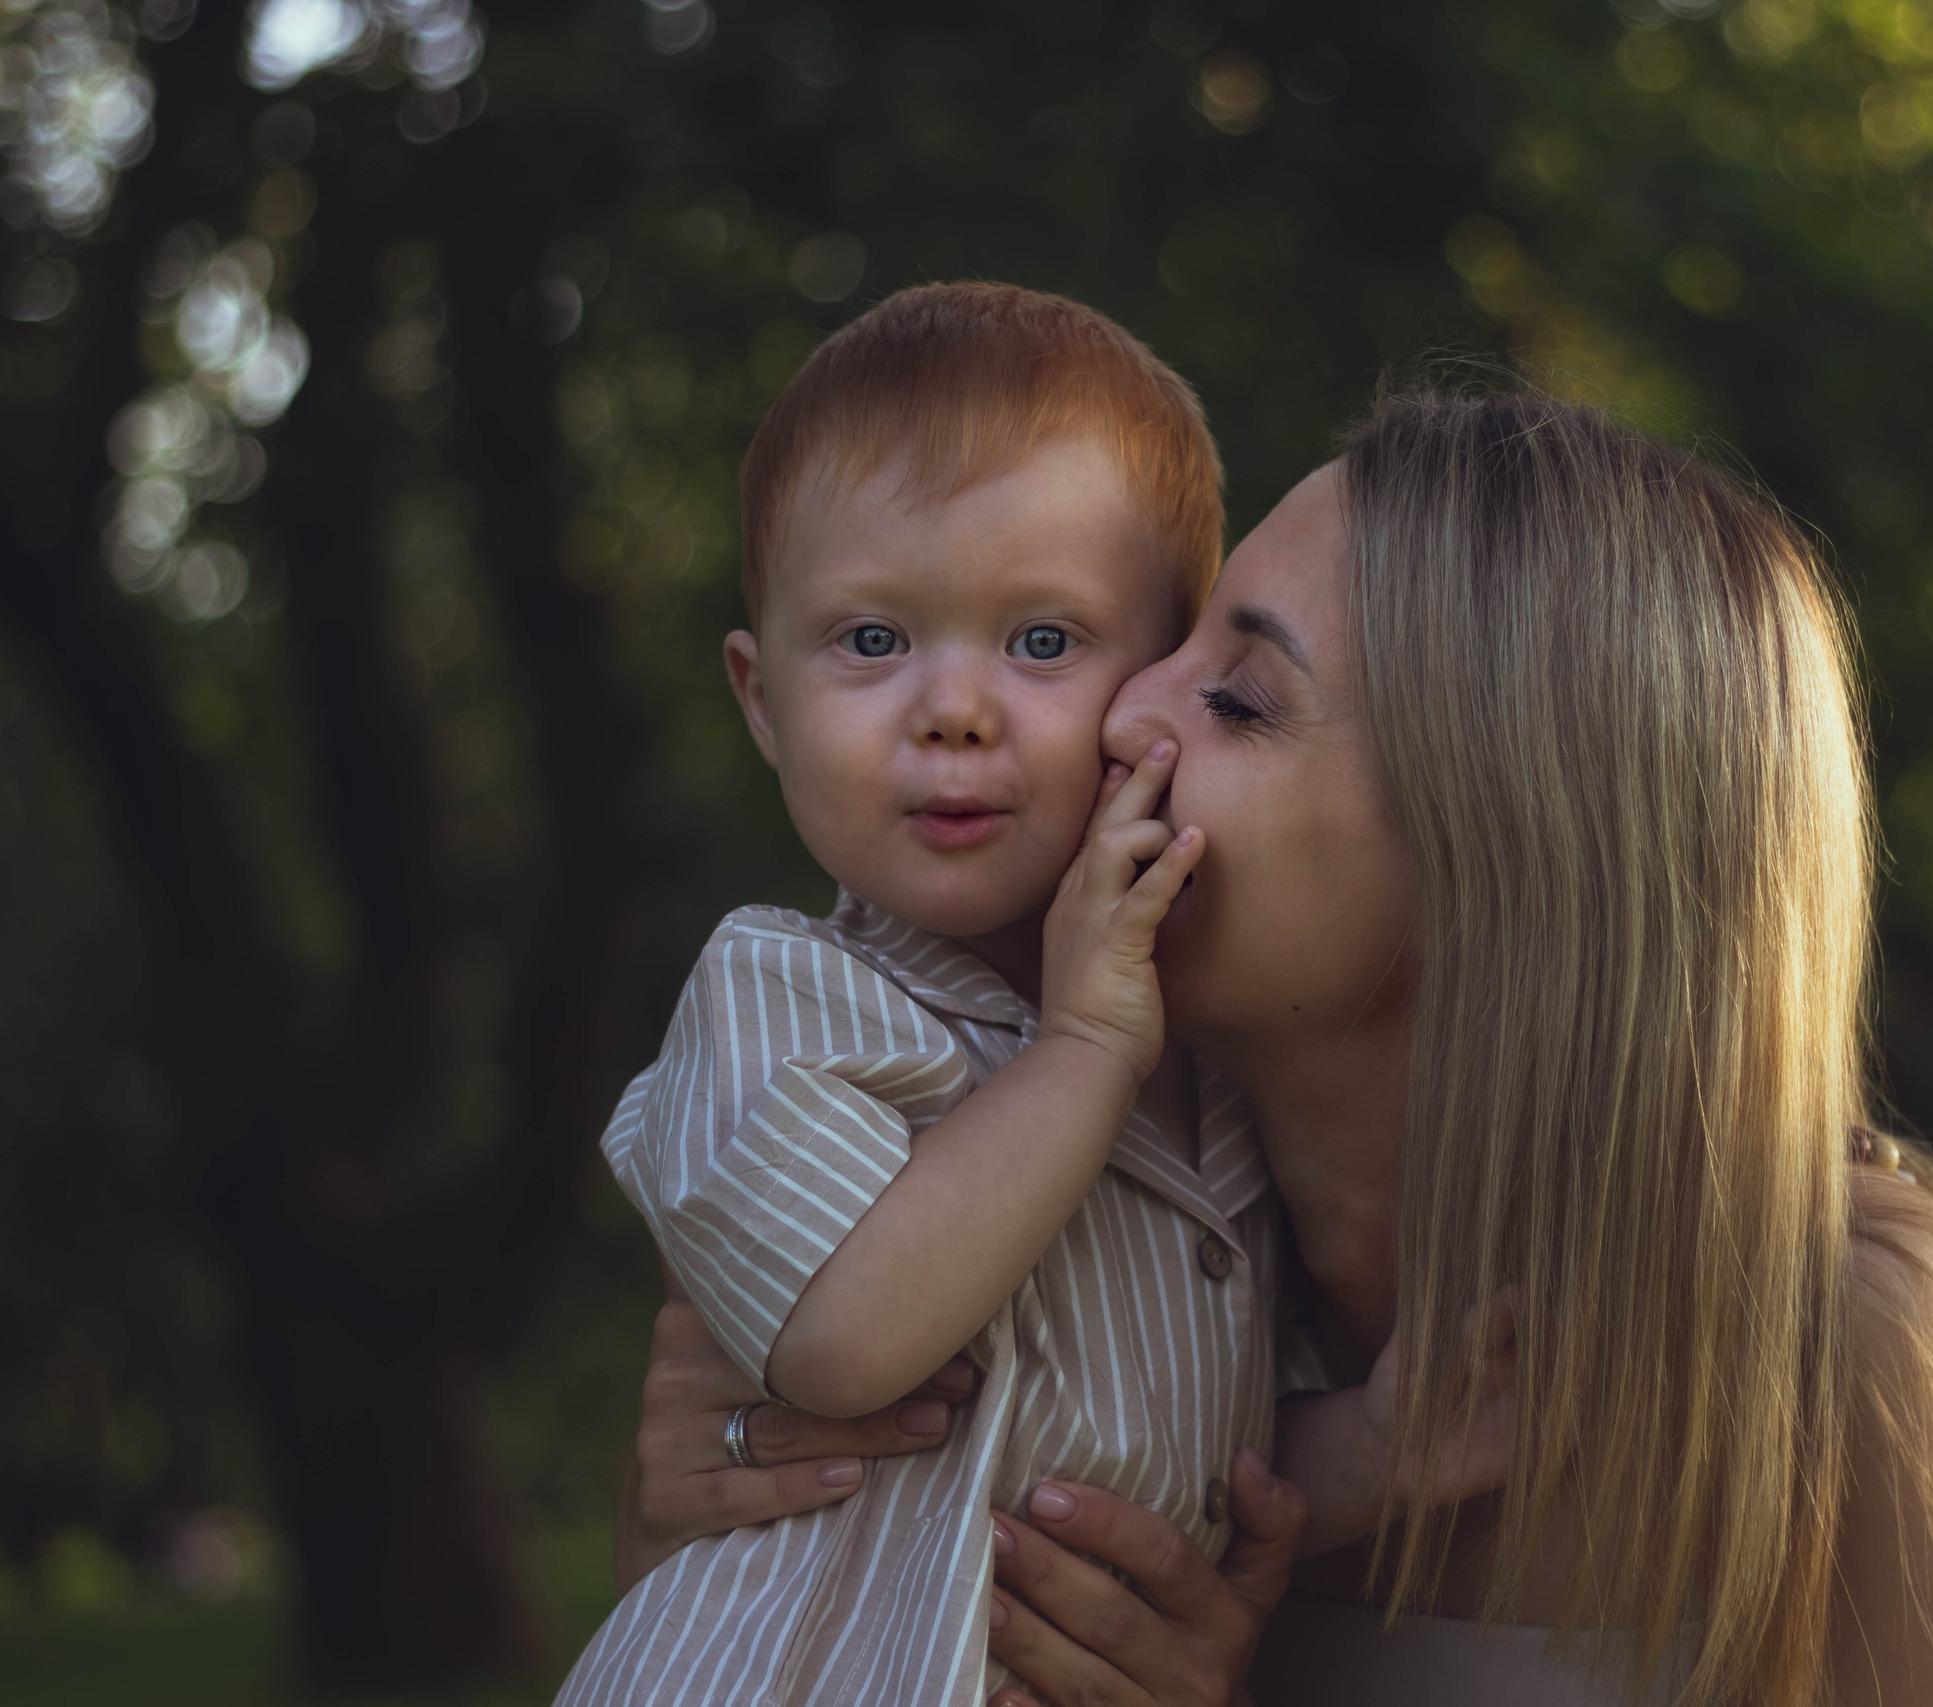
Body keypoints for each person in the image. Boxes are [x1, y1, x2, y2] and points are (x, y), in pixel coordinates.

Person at [613, 388, 1933, 1706]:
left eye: (1238, 699)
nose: (1119, 711)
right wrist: (700, 1509)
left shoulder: (1839, 1348)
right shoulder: (1009, 1208)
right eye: (1172, 643)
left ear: (1506, 867)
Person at [557, 284, 1433, 1707]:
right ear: (761, 700)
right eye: (870, 641)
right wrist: (1082, 1046)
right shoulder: (783, 996)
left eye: (1041, 643)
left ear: (1159, 681)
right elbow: (844, 1340)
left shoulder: (1208, 1079)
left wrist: (1385, 1446)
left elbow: (1198, 1467)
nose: (953, 709)